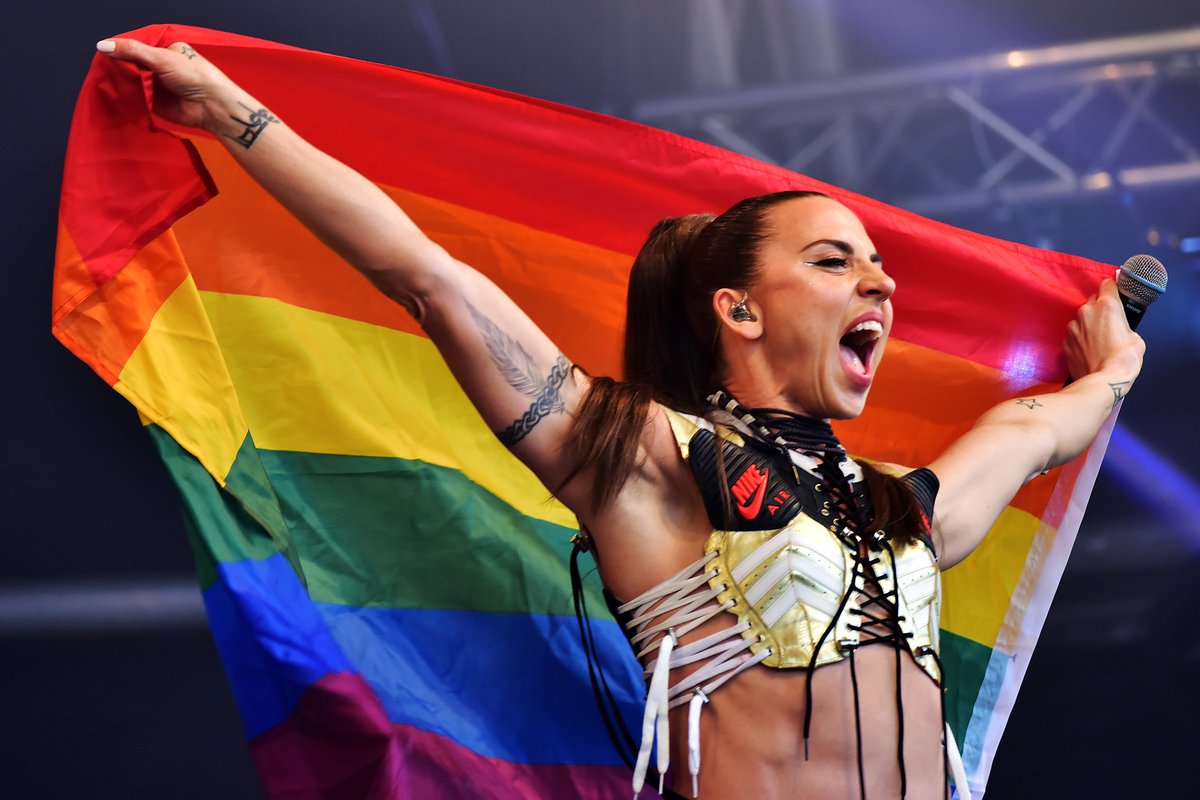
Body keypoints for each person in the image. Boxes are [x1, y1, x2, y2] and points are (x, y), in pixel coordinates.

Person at [96, 38, 1145, 800]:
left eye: (878, 265)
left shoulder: (903, 513)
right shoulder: (644, 457)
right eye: (835, 262)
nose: (880, 283)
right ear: (738, 310)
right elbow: (430, 279)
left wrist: (1116, 363)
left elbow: (1036, 428)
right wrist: (233, 112)